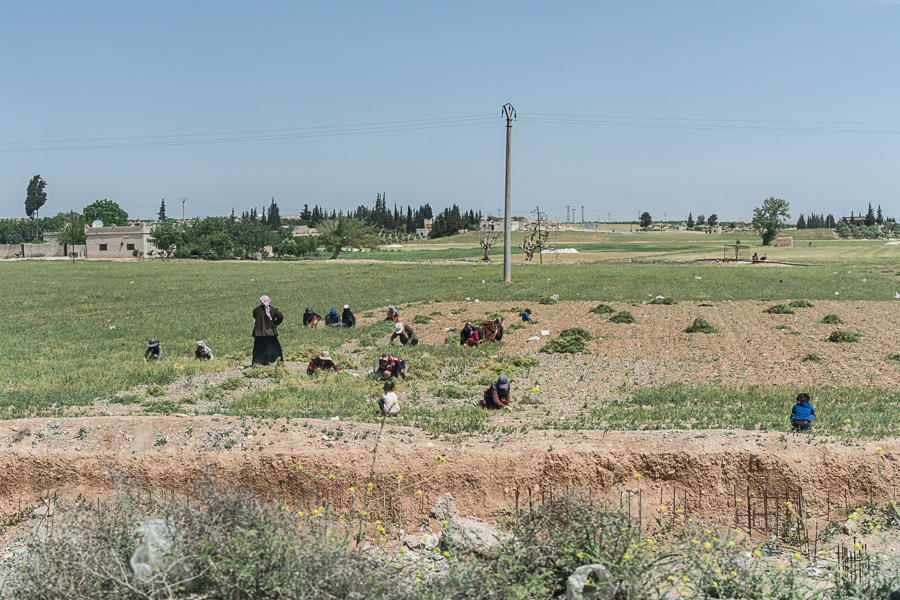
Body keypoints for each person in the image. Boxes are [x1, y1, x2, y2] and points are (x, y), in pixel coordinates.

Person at [252, 295, 284, 365]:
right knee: (273, 348)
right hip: (271, 332)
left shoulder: (257, 310)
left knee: (259, 349)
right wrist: (275, 323)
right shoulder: (273, 309)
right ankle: (274, 362)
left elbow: (254, 316)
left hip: (259, 333)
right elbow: (280, 316)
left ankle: (259, 363)